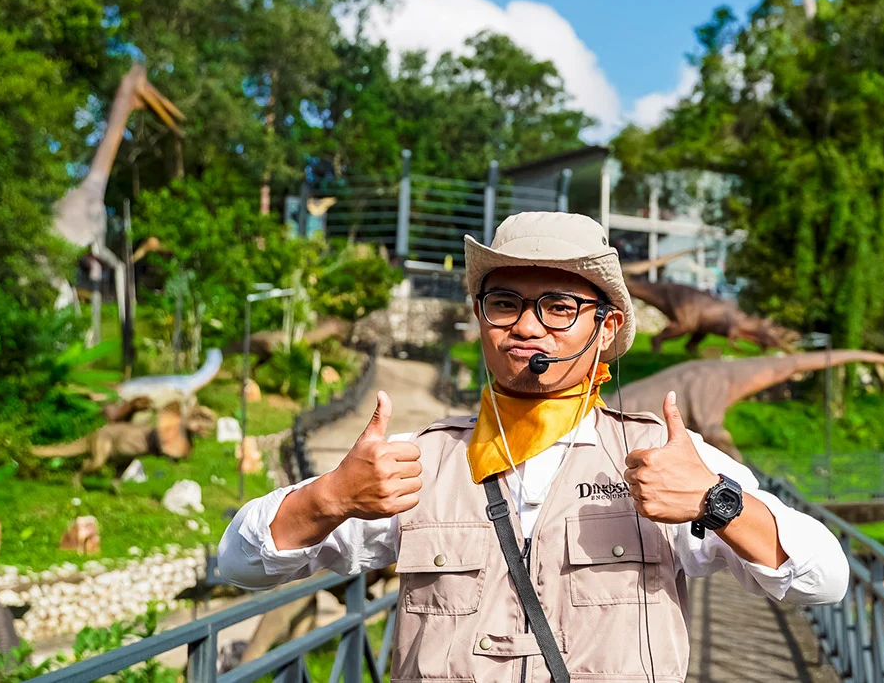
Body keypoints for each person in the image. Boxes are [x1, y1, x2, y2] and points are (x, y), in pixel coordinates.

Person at [219, 212, 848, 682]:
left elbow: (824, 579)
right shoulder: (418, 462)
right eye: (505, 303)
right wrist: (328, 497)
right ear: (479, 316)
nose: (526, 325)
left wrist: (718, 502)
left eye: (558, 306)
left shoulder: (666, 460)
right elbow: (240, 563)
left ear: (607, 328)